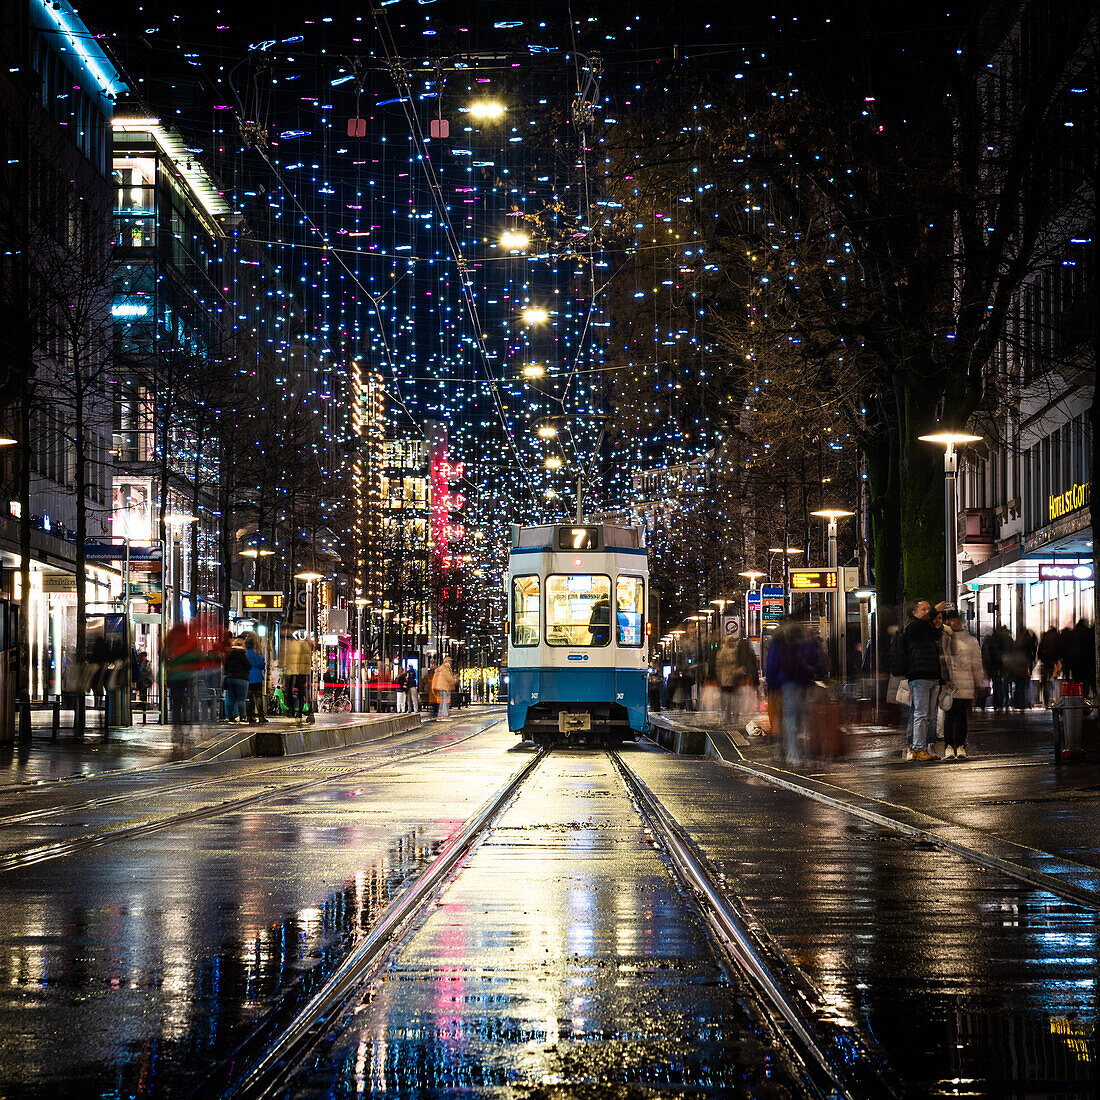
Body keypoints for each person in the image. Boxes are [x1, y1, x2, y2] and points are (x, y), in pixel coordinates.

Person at [764, 618, 816, 764]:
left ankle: (792, 754)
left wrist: (771, 683)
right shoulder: (803, 638)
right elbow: (814, 657)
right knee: (800, 717)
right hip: (803, 681)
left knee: (789, 717)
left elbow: (772, 663)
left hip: (786, 682)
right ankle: (799, 750)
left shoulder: (779, 640)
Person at [900, 599, 945, 761]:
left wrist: (941, 678)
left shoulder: (927, 628)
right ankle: (918, 748)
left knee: (930, 715)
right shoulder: (912, 627)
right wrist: (934, 610)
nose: (927, 611)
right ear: (915, 613)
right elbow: (916, 631)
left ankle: (925, 747)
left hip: (932, 675)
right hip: (919, 676)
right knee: (921, 713)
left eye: (928, 608)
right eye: (924, 609)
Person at [942, 611, 984, 759]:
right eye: (953, 620)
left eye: (958, 620)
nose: (956, 623)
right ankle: (948, 745)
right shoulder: (945, 638)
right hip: (951, 683)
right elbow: (944, 659)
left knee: (961, 716)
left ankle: (960, 745)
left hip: (966, 682)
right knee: (949, 715)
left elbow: (977, 662)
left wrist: (979, 681)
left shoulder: (971, 641)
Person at [281, 631, 313, 723]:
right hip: (299, 670)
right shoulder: (305, 645)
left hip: (295, 670)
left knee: (294, 691)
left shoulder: (293, 644)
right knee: (299, 692)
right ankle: (297, 712)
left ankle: (294, 711)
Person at [223, 636, 251, 723]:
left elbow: (225, 667)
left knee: (230, 698)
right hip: (241, 679)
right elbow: (248, 666)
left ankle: (231, 718)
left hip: (230, 678)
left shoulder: (228, 654)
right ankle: (242, 718)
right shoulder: (242, 654)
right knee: (241, 699)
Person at [245, 634, 267, 724]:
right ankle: (261, 716)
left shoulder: (245, 653)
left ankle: (250, 716)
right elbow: (261, 665)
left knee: (249, 697)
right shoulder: (257, 652)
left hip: (247, 677)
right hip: (257, 677)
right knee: (258, 696)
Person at [1037, 626, 1061, 707]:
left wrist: (1041, 659)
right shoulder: (1056, 638)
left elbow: (1039, 651)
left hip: (1045, 663)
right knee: (1051, 681)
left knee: (1046, 682)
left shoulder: (1045, 637)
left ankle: (1046, 701)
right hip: (1052, 663)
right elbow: (1058, 650)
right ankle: (1052, 699)